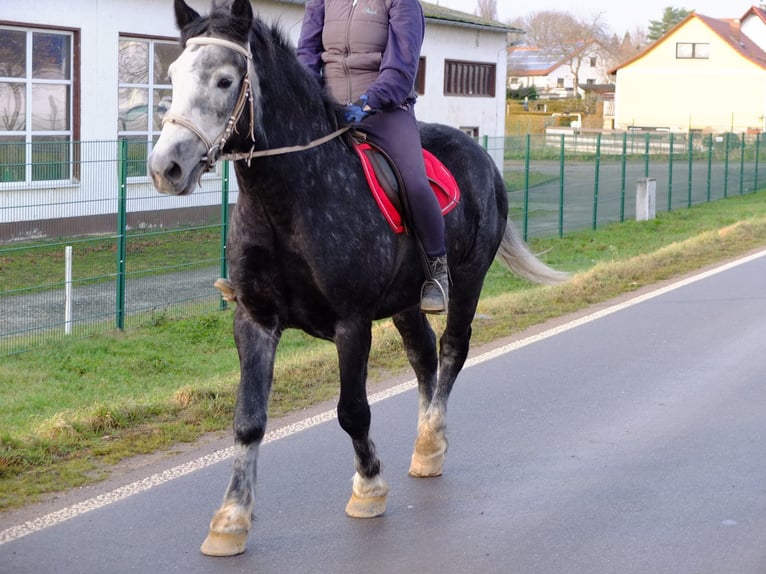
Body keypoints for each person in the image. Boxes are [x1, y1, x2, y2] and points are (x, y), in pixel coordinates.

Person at [297, 0, 449, 314]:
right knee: (274, 164)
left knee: (414, 183)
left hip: (384, 110)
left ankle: (437, 272)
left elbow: (401, 68)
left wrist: (368, 102)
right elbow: (307, 55)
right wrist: (310, 98)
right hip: (327, 109)